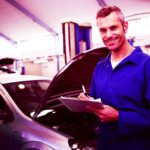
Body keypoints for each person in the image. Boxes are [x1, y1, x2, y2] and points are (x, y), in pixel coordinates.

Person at [78, 6, 150, 150]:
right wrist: (88, 102)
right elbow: (97, 103)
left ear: (125, 26)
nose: (108, 35)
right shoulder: (100, 66)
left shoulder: (146, 65)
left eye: (113, 28)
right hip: (105, 144)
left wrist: (119, 116)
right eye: (103, 30)